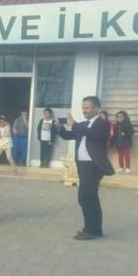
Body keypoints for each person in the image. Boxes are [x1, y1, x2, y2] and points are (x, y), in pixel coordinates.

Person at [55, 96, 115, 241]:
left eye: (87, 108)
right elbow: (69, 135)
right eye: (83, 108)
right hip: (82, 164)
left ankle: (91, 230)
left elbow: (94, 134)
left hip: (93, 165)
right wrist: (60, 128)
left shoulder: (103, 123)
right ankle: (93, 229)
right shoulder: (82, 124)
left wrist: (74, 124)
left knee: (86, 197)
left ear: (96, 108)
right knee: (89, 197)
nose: (84, 110)